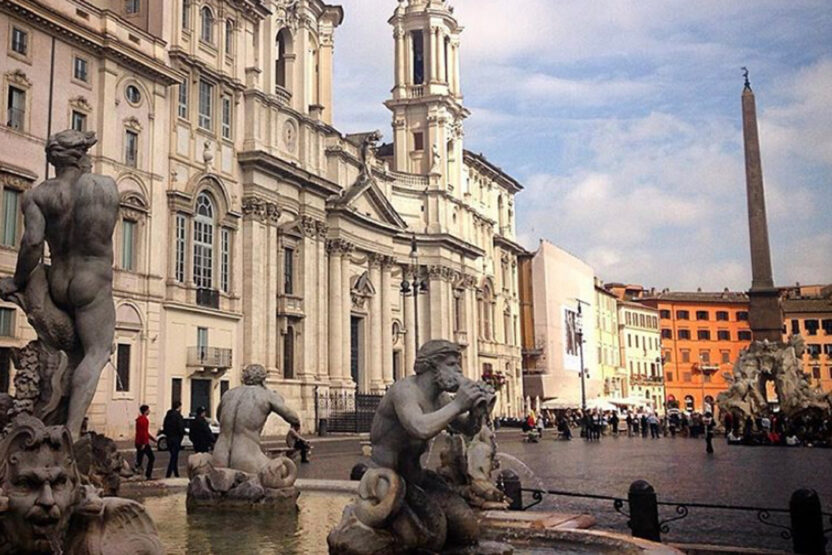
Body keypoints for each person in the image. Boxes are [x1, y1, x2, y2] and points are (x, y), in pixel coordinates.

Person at [0, 130, 120, 440]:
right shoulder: (102, 187)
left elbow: (31, 244)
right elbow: (103, 235)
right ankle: (70, 433)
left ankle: (47, 409)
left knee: (68, 351)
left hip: (57, 279)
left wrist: (17, 280)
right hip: (91, 280)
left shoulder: (38, 195)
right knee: (96, 352)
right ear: (82, 156)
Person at [213, 364, 301, 474]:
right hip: (245, 458)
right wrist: (295, 428)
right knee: (283, 472)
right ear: (263, 380)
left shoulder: (228, 394)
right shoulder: (266, 395)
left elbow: (218, 416)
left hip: (219, 457)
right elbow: (293, 417)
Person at [163, 401, 186, 478]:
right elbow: (180, 427)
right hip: (176, 438)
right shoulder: (178, 416)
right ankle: (168, 474)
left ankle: (176, 473)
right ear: (179, 407)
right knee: (174, 456)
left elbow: (164, 426)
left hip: (169, 437)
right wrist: (181, 434)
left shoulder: (168, 415)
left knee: (174, 455)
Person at [134, 404, 156, 480]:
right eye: (148, 410)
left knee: (139, 459)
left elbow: (144, 432)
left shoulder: (139, 420)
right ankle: (147, 475)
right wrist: (143, 443)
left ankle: (138, 473)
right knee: (151, 458)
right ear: (145, 411)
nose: (149, 411)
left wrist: (153, 439)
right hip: (143, 442)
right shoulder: (144, 420)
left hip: (138, 442)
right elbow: (143, 433)